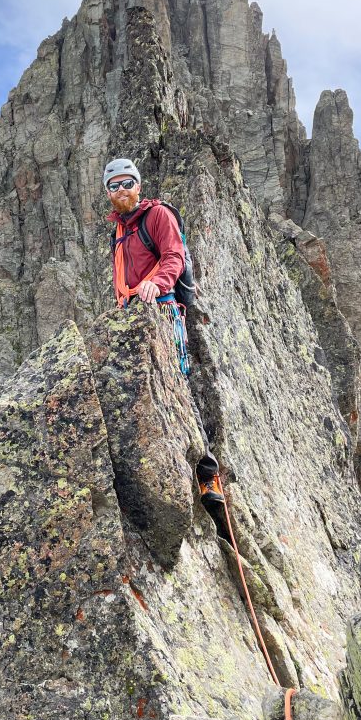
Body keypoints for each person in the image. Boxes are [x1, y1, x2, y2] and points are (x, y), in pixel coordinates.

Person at [104, 157, 232, 543]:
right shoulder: (120, 232)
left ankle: (208, 477)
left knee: (177, 386)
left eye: (127, 182)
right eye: (114, 186)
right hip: (134, 316)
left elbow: (174, 256)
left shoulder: (157, 215)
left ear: (138, 185)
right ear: (107, 194)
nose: (121, 190)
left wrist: (155, 283)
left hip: (163, 310)